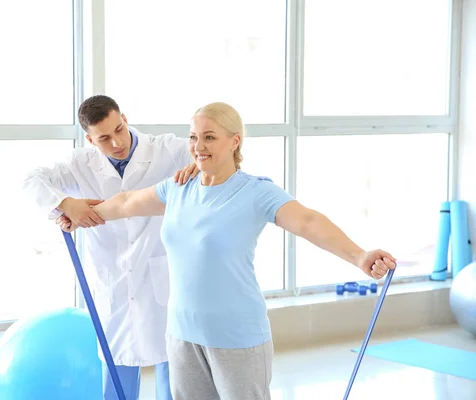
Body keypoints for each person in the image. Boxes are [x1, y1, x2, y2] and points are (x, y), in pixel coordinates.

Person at [58, 101, 398, 400]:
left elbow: (308, 222)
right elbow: (127, 202)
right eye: (193, 137)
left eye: (209, 137)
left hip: (237, 337)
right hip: (181, 335)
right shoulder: (178, 187)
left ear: (235, 140)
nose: (198, 146)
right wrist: (81, 213)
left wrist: (359, 256)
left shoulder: (255, 191)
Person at [23, 94, 199, 400]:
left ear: (125, 119)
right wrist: (66, 203)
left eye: (119, 129)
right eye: (104, 138)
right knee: (117, 362)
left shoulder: (165, 149)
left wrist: (197, 166)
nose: (117, 142)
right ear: (90, 140)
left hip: (161, 271)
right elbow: (31, 180)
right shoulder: (81, 164)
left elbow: (208, 152)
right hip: (113, 277)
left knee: (171, 365)